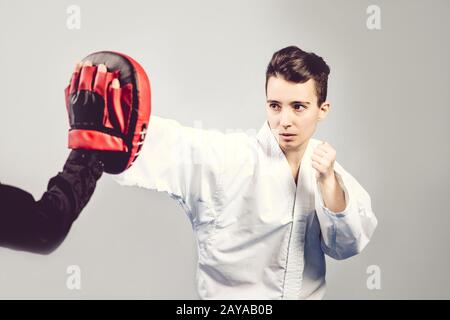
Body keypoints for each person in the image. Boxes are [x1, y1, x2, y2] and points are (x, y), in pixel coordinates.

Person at [108, 45, 378, 299]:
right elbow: (182, 145)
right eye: (275, 106)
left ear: (322, 110)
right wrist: (115, 119)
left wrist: (329, 183)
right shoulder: (232, 158)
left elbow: (347, 245)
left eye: (298, 107)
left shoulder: (327, 168)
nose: (284, 121)